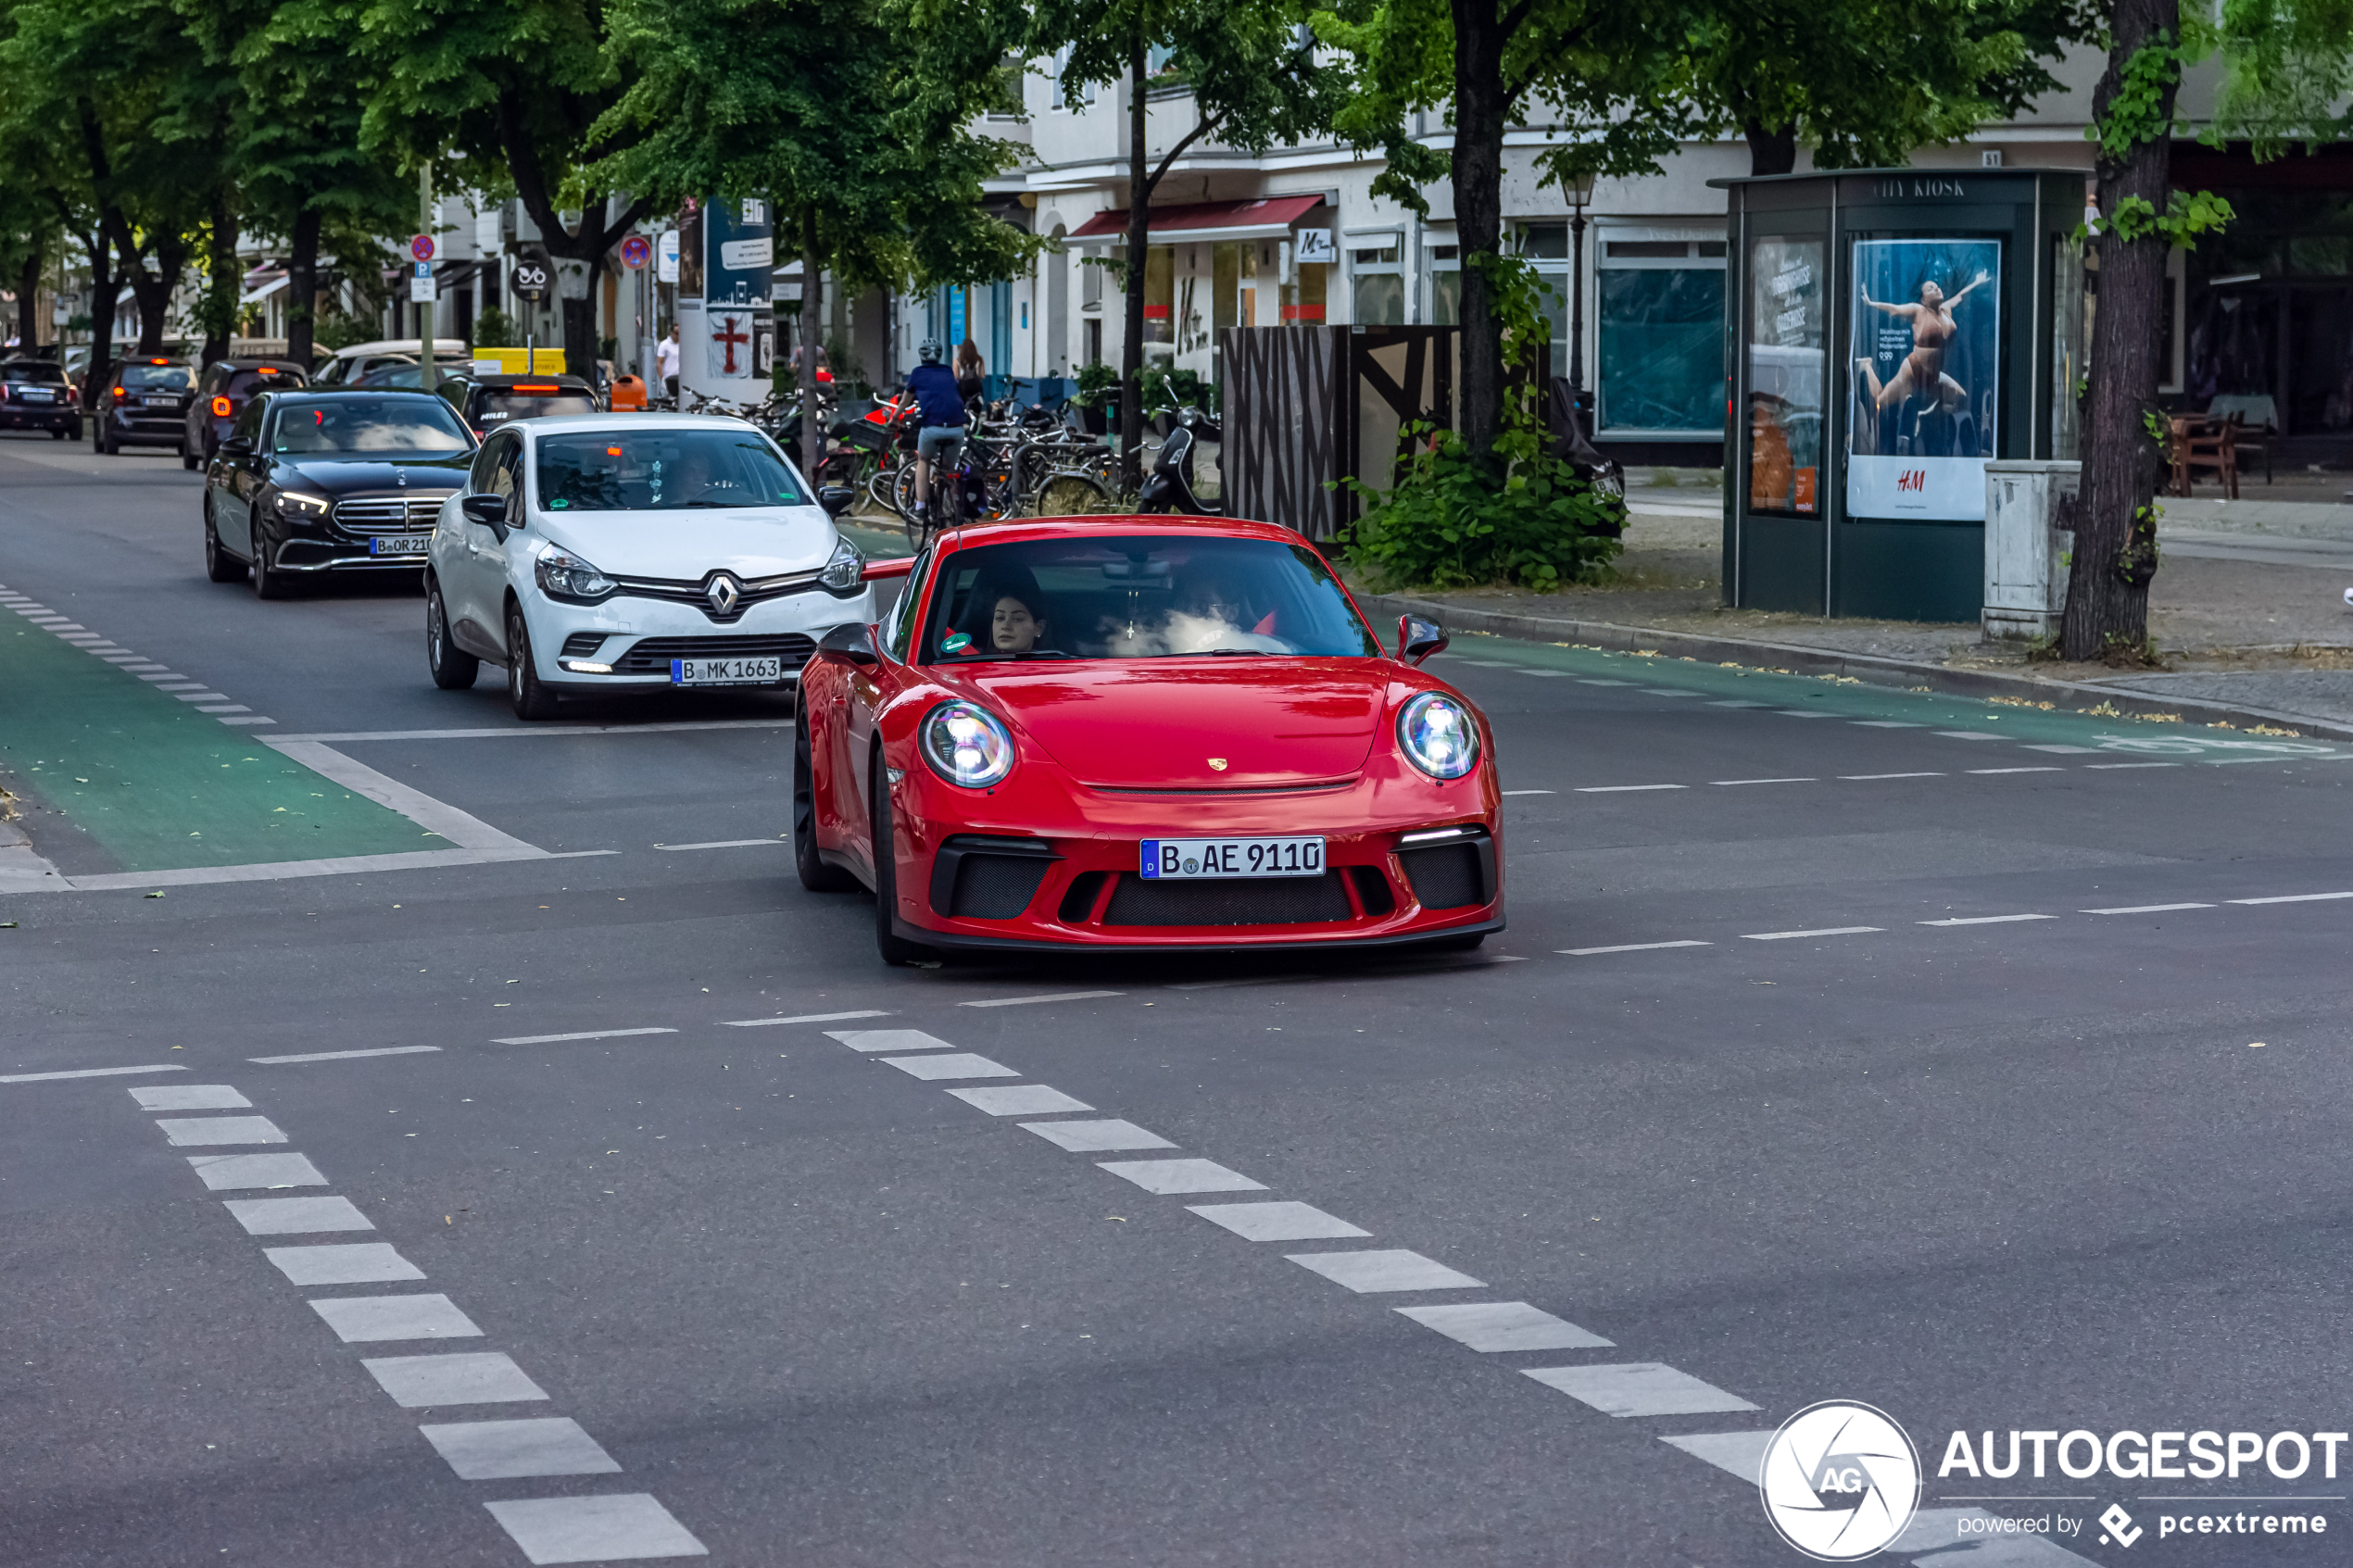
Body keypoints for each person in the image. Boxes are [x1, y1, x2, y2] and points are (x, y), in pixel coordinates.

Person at [1856, 270, 1990, 425]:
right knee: (1880, 404)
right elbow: (1895, 309)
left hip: (1934, 375)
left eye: (1937, 286)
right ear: (1923, 299)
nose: (1937, 288)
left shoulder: (1946, 310)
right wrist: (1870, 303)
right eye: (1930, 288)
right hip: (1913, 369)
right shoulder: (1918, 310)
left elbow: (1960, 296)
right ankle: (1867, 365)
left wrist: (1977, 282)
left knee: (1961, 397)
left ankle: (1924, 415)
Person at [904, 337, 966, 519]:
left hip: (932, 428)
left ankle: (921, 506)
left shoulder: (917, 373)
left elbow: (904, 402)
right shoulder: (948, 371)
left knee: (923, 461)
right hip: (956, 428)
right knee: (949, 469)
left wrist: (894, 419)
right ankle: (953, 501)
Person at [954, 339, 986, 406]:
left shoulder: (957, 361)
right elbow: (982, 375)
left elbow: (956, 376)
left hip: (963, 386)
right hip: (976, 386)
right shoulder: (980, 359)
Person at [655, 325, 681, 401]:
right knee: (671, 398)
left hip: (680, 376)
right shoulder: (665, 345)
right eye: (676, 333)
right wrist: (662, 378)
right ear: (671, 333)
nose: (678, 335)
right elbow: (659, 362)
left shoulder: (682, 345)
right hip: (669, 376)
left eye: (680, 333)